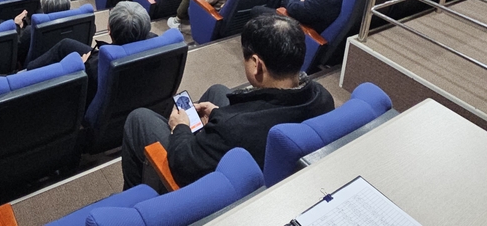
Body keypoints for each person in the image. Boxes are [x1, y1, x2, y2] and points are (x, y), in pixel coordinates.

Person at [120, 14, 334, 188]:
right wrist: (217, 114)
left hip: (209, 175)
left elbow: (184, 165)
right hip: (259, 141)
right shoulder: (322, 96)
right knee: (218, 91)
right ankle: (205, 134)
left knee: (139, 119)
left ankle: (134, 193)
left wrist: (181, 127)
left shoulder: (233, 128)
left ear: (257, 64)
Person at [25, 1, 152, 106]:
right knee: (65, 45)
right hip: (126, 62)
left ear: (109, 30)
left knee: (65, 48)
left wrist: (80, 66)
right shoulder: (155, 44)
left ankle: (28, 71)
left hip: (92, 96)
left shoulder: (93, 66)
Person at [12, 0, 71, 67]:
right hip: (68, 62)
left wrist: (17, 26)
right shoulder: (79, 21)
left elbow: (17, 53)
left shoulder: (30, 31)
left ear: (43, 9)